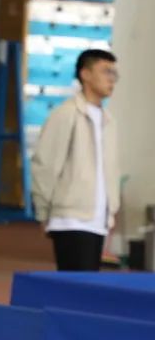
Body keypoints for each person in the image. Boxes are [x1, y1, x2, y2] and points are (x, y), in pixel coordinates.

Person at [31, 48, 121, 272]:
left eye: (114, 73)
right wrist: (43, 211)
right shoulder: (66, 114)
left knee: (88, 285)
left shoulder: (108, 121)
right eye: (106, 71)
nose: (112, 79)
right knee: (75, 285)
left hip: (98, 221)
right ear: (85, 74)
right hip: (70, 219)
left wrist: (110, 211)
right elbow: (46, 165)